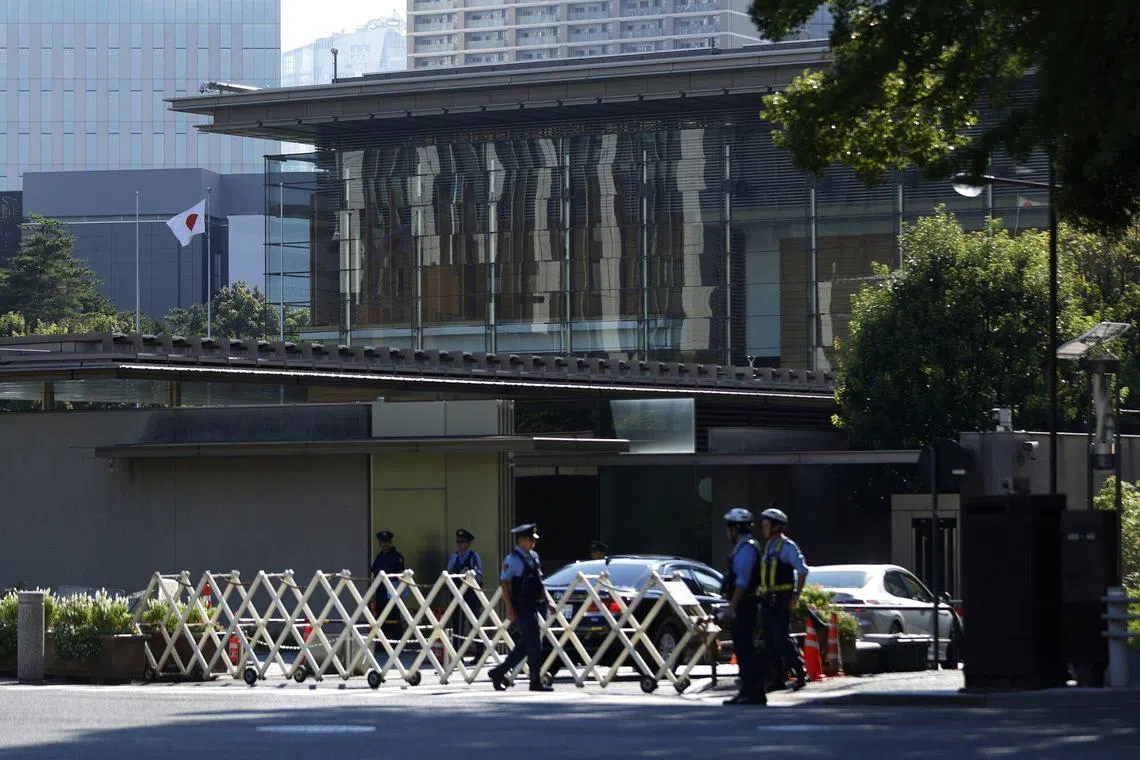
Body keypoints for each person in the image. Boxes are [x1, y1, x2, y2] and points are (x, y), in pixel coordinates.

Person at [488, 523, 553, 692]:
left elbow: (539, 582)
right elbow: (504, 584)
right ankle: (535, 681)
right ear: (521, 540)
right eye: (530, 540)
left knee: (527, 644)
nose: (533, 543)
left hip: (534, 603)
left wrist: (548, 600)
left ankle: (498, 671)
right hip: (522, 605)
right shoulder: (512, 560)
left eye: (534, 540)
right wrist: (509, 608)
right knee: (533, 645)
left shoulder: (534, 557)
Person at [718, 508, 767, 706]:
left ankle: (753, 692)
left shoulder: (746, 548)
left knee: (745, 648)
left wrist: (732, 606)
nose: (727, 532)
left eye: (729, 527)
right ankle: (748, 690)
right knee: (742, 647)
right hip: (745, 603)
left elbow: (742, 581)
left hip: (745, 603)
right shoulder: (743, 546)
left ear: (735, 528)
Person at [758, 507, 809, 691]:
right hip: (767, 599)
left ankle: (801, 672)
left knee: (782, 639)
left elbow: (803, 570)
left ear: (775, 527)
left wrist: (795, 596)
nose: (762, 526)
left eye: (766, 523)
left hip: (781, 599)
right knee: (770, 642)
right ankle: (777, 679)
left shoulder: (787, 546)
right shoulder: (768, 546)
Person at [447, 529, 484, 657]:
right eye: (458, 542)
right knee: (457, 623)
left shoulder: (474, 556)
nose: (460, 545)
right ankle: (458, 654)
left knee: (474, 622)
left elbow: (479, 575)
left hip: (471, 594)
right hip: (457, 593)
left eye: (462, 542)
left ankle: (480, 652)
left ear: (468, 543)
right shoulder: (454, 556)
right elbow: (449, 572)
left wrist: (470, 575)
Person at [370, 530, 407, 646]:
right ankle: (382, 644)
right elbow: (374, 572)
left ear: (390, 542)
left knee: (394, 618)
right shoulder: (379, 557)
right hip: (380, 592)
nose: (385, 545)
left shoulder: (397, 556)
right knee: (381, 618)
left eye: (387, 542)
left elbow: (401, 574)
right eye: (382, 542)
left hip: (392, 591)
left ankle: (396, 644)